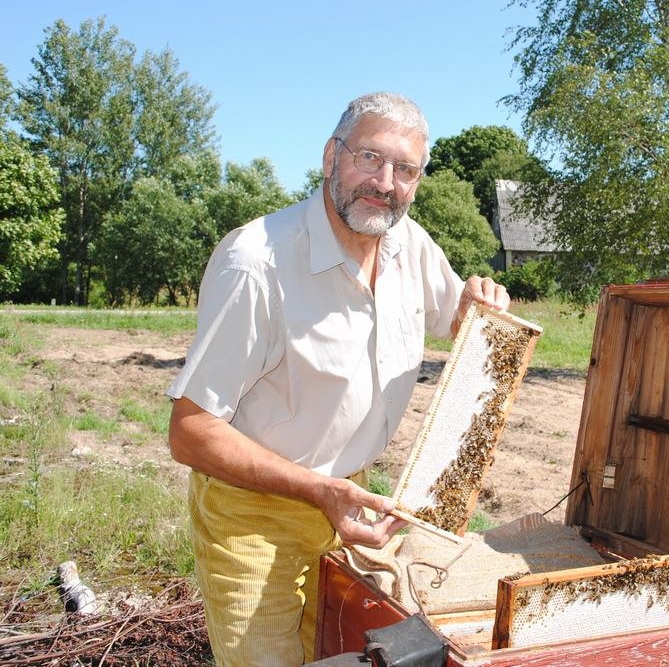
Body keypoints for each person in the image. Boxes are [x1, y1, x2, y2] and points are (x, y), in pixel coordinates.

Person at [167, 91, 509, 666]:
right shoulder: (257, 264)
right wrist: (320, 492)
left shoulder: (410, 246)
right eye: (369, 158)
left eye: (405, 169)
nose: (385, 182)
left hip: (351, 503)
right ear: (331, 157)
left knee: (340, 655)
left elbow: (458, 319)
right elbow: (190, 432)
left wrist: (480, 302)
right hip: (254, 515)